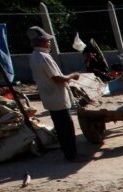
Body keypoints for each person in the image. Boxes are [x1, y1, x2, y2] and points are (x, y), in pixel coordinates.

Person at [28, 26, 80, 161]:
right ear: (40, 41)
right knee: (67, 129)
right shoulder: (44, 57)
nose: (49, 42)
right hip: (58, 98)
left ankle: (68, 154)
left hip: (49, 97)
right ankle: (72, 156)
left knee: (61, 128)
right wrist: (73, 76)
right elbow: (57, 78)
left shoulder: (34, 56)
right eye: (47, 40)